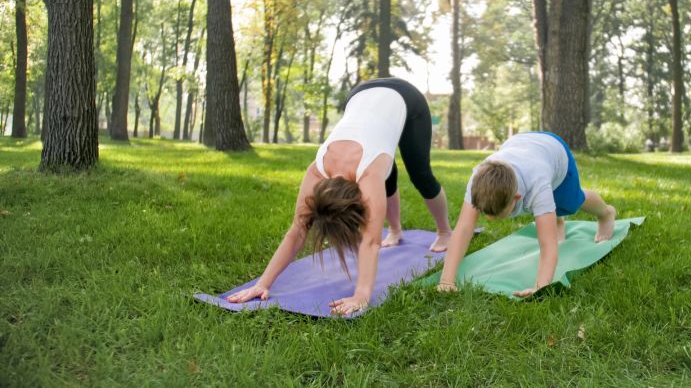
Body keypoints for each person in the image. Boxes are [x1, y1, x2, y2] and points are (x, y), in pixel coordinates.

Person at [226, 78, 453, 316]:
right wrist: (263, 283)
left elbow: (371, 241)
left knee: (420, 175)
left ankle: (444, 232)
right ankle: (396, 231)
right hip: (360, 95)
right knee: (386, 168)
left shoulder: (369, 174)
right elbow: (297, 230)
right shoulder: (317, 170)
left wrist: (361, 295)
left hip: (406, 97)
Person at [435, 132, 616, 297]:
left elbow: (548, 245)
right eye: (485, 213)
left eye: (497, 214)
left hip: (554, 151)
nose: (489, 219)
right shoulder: (479, 180)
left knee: (571, 202)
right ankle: (555, 220)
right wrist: (446, 281)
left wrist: (540, 286)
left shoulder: (538, 186)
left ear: (517, 197)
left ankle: (606, 213)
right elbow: (463, 230)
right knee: (548, 211)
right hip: (521, 144)